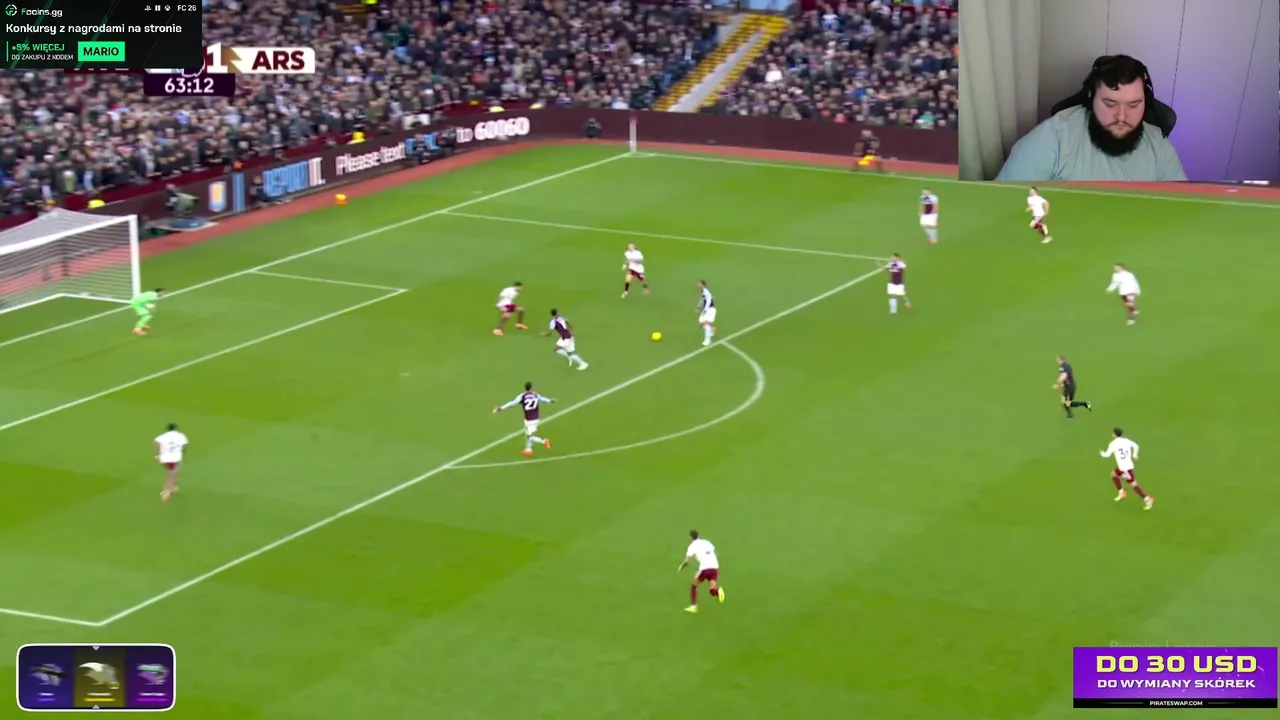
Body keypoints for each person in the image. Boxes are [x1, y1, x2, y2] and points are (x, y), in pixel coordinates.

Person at [995, 56, 1187, 181]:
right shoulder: (1054, 138)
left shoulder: (1159, 147)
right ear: (1090, 98)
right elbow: (1003, 205)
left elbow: (1181, 213)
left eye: (1134, 105)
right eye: (1110, 104)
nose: (1122, 116)